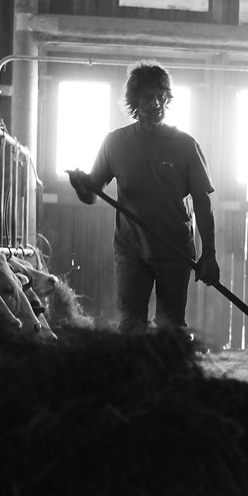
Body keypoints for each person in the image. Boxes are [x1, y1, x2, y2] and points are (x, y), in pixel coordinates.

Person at [66, 61, 219, 334]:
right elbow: (92, 195)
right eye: (149, 97)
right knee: (132, 324)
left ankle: (167, 374)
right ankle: (134, 375)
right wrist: (80, 186)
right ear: (134, 100)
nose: (157, 103)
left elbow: (202, 203)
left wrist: (209, 254)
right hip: (131, 249)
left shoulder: (185, 144)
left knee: (169, 328)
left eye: (162, 96)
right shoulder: (115, 143)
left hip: (174, 249)